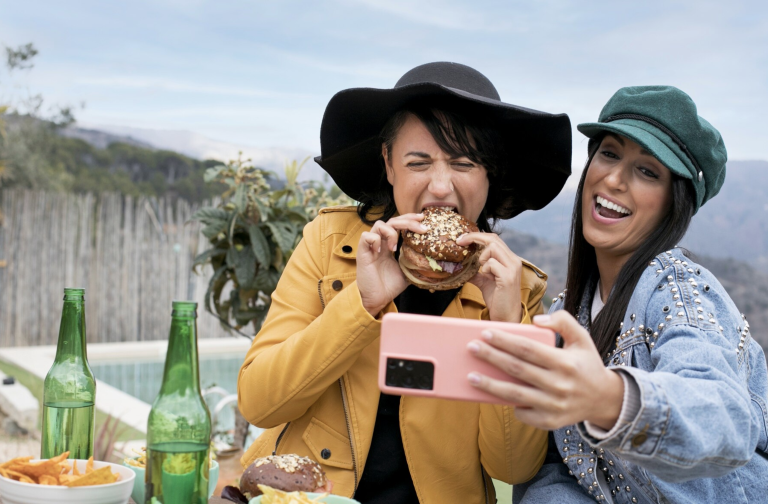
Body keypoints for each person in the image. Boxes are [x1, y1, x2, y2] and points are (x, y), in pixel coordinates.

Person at [237, 61, 573, 504]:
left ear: (489, 175)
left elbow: (513, 466)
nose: (440, 186)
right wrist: (363, 304)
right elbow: (260, 401)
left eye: (463, 162)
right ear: (389, 166)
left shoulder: (514, 287)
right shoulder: (328, 243)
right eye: (419, 162)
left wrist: (508, 327)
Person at [466, 86, 768, 503]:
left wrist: (609, 398)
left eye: (648, 171)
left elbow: (726, 421)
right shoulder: (568, 313)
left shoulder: (677, 289)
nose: (613, 179)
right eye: (609, 153)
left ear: (673, 203)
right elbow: (559, 471)